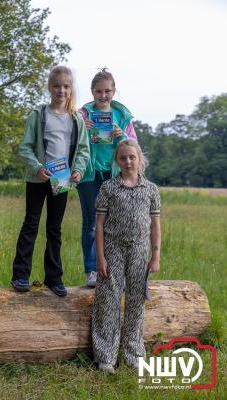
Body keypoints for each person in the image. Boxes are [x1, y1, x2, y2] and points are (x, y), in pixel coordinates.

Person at [11, 66, 90, 297]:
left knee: (54, 229)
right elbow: (25, 148)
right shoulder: (38, 115)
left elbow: (83, 150)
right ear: (49, 87)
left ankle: (54, 279)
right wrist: (37, 167)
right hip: (38, 178)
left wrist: (78, 169)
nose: (61, 90)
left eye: (66, 86)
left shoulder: (76, 119)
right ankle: (20, 275)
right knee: (31, 224)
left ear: (71, 89)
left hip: (62, 179)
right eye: (57, 86)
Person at [92, 139, 161, 373]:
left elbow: (155, 225)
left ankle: (133, 353)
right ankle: (105, 356)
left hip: (140, 250)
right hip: (113, 248)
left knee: (135, 300)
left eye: (132, 157)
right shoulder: (108, 188)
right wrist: (100, 257)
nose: (128, 161)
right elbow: (99, 225)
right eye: (123, 158)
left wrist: (155, 256)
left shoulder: (150, 189)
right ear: (117, 161)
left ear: (139, 158)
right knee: (108, 299)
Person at [77, 68, 137, 287]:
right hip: (89, 175)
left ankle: (113, 270)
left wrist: (120, 134)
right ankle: (91, 270)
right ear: (92, 92)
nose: (103, 95)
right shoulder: (82, 114)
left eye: (108, 91)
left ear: (114, 91)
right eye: (99, 91)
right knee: (92, 222)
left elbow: (134, 147)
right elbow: (70, 139)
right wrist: (82, 129)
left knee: (114, 223)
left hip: (113, 175)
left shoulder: (122, 116)